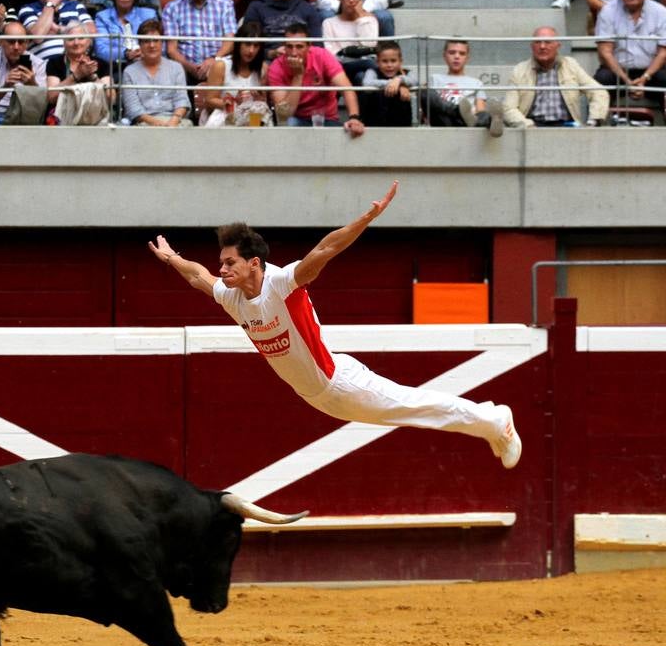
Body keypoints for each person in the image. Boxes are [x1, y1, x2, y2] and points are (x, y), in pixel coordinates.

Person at [146, 189, 523, 471]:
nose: (223, 269)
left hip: (338, 383)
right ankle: (488, 419)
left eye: (230, 263)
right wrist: (172, 258)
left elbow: (325, 250)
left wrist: (364, 220)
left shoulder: (280, 284)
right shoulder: (232, 298)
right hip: (315, 395)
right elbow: (199, 276)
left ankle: (495, 421)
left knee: (411, 407)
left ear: (254, 263)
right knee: (408, 411)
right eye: (222, 263)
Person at [267, 21, 365, 133]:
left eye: (299, 47)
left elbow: (346, 89)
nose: (294, 53)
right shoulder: (276, 66)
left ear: (309, 46)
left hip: (326, 118)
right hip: (296, 119)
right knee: (288, 124)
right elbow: (285, 115)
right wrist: (298, 76)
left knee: (347, 132)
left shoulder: (322, 56)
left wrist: (354, 118)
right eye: (289, 46)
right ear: (284, 47)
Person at [503, 26, 608, 127]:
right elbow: (508, 108)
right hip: (533, 127)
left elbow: (599, 91)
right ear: (532, 46)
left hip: (567, 126)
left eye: (548, 42)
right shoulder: (519, 70)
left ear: (558, 45)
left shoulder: (571, 65)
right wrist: (527, 125)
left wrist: (593, 121)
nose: (542, 46)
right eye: (537, 42)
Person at [594, 0, 666, 111]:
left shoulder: (661, 12)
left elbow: (663, 53)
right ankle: (597, 125)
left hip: (651, 71)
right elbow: (605, 52)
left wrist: (645, 77)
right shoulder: (608, 11)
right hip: (617, 71)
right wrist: (627, 81)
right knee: (601, 80)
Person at [161, 0, 236, 85]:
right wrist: (188, 66)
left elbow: (230, 42)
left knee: (226, 67)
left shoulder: (225, 5)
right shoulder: (172, 8)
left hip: (217, 65)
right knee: (172, 70)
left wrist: (214, 59)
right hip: (184, 70)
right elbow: (171, 49)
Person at [423, 39, 503, 136]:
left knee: (484, 114)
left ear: (467, 58)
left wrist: (477, 115)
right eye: (452, 52)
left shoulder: (476, 83)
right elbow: (428, 108)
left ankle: (493, 120)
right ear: (444, 55)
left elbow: (480, 110)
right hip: (444, 121)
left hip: (467, 123)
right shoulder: (435, 78)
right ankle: (458, 111)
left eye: (462, 54)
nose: (457, 57)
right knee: (424, 92)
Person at [120, 17, 192, 126]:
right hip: (144, 123)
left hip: (175, 121)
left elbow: (182, 100)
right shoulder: (129, 72)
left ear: (162, 42)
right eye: (146, 41)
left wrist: (173, 121)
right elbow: (133, 108)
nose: (152, 45)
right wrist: (157, 124)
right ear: (139, 45)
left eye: (155, 40)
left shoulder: (176, 68)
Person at [196, 19, 269, 127]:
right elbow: (209, 101)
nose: (251, 51)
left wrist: (261, 100)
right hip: (222, 116)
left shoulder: (263, 68)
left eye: (256, 46)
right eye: (247, 44)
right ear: (238, 43)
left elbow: (262, 102)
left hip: (251, 119)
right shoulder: (221, 66)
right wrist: (235, 102)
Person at [17, 0, 93, 64]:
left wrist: (58, 29)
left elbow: (91, 33)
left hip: (78, 63)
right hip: (44, 66)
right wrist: (50, 4)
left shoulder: (76, 6)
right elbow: (37, 36)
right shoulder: (27, 9)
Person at [0, 19, 46, 124]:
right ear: (1, 42)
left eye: (21, 42)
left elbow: (43, 106)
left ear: (27, 43)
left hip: (24, 118)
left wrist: (32, 84)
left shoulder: (37, 63)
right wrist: (5, 87)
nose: (16, 47)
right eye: (11, 41)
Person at [45, 20, 113, 121]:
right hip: (62, 118)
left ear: (89, 41)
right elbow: (51, 97)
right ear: (64, 43)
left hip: (94, 116)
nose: (76, 43)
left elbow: (111, 99)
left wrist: (92, 76)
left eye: (81, 38)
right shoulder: (54, 62)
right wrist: (76, 75)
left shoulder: (102, 64)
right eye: (71, 39)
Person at [92, 0, 158, 68]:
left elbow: (159, 46)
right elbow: (101, 50)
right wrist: (126, 53)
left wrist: (143, 52)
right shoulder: (102, 17)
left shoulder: (149, 15)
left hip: (146, 66)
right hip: (115, 69)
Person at [321, 0, 379, 83]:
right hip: (340, 67)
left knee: (362, 76)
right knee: (369, 65)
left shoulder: (370, 20)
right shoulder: (328, 23)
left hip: (363, 68)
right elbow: (330, 54)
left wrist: (361, 17)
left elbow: (369, 44)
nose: (351, 1)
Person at [359, 40, 417, 127]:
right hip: (374, 124)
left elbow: (415, 81)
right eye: (384, 61)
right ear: (377, 62)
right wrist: (392, 83)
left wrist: (399, 80)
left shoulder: (407, 73)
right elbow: (367, 83)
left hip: (401, 125)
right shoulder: (372, 71)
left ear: (400, 61)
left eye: (393, 61)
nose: (389, 65)